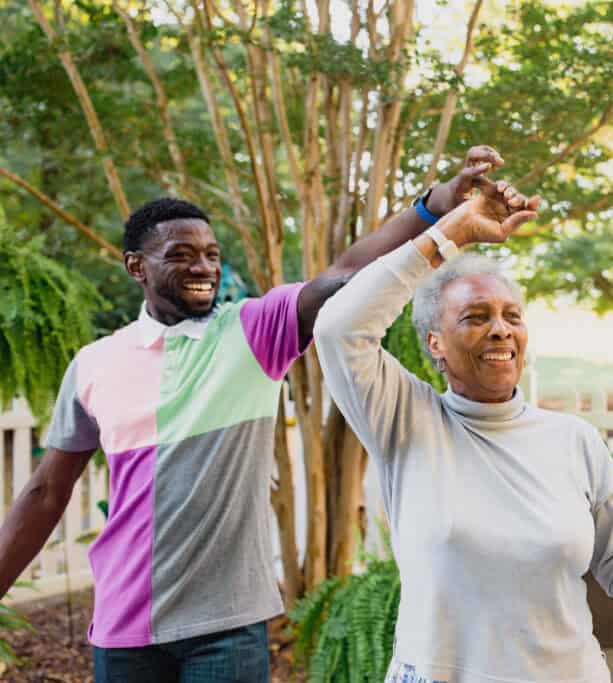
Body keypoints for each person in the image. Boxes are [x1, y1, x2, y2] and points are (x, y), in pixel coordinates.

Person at [0, 146, 507, 682]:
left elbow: (346, 273)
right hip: (125, 629)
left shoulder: (252, 331)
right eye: (180, 255)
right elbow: (45, 494)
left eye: (212, 254)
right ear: (136, 267)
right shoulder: (93, 365)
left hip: (226, 630)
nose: (203, 267)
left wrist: (436, 206)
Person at [313, 177, 613, 683]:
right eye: (475, 317)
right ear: (435, 343)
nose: (500, 329)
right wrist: (451, 234)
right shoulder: (405, 419)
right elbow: (338, 329)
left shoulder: (573, 440)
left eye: (511, 316)